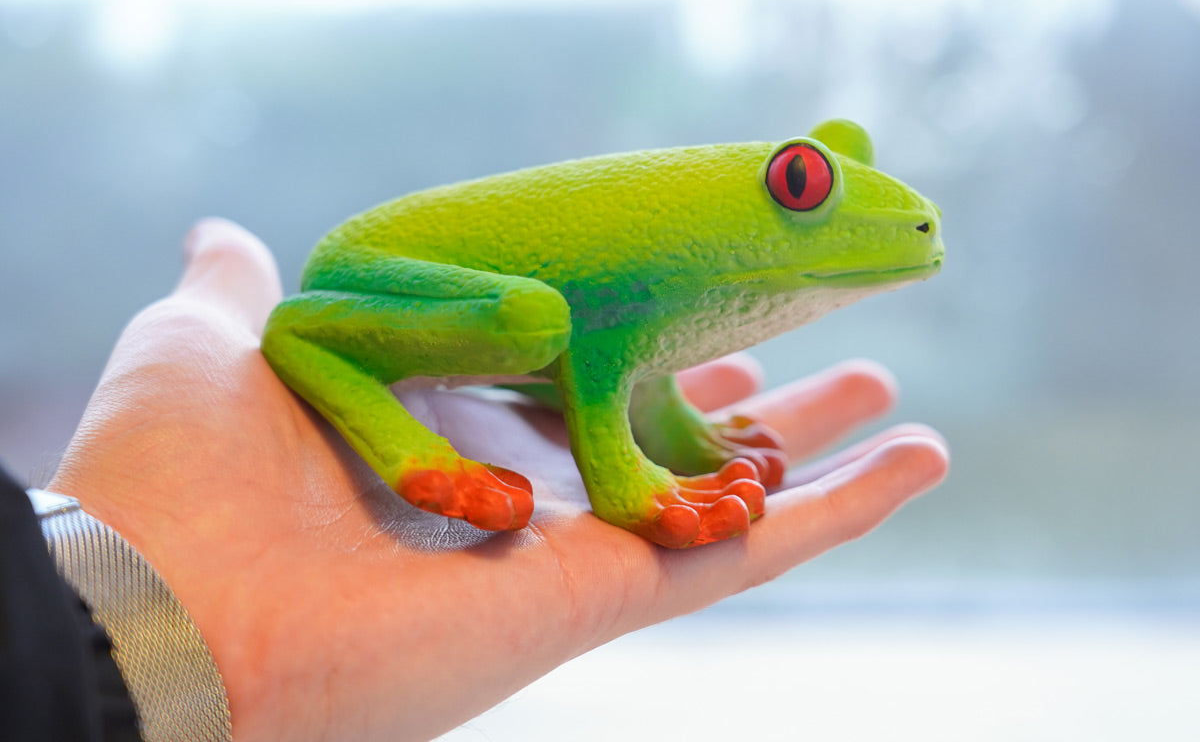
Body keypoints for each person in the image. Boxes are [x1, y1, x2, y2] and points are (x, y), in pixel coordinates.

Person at [7, 218, 948, 741]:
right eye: (801, 183)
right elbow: (605, 347)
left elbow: (642, 349)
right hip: (409, 285)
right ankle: (411, 450)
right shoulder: (697, 239)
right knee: (541, 318)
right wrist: (632, 491)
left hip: (465, 301)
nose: (913, 220)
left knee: (560, 319)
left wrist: (144, 649)